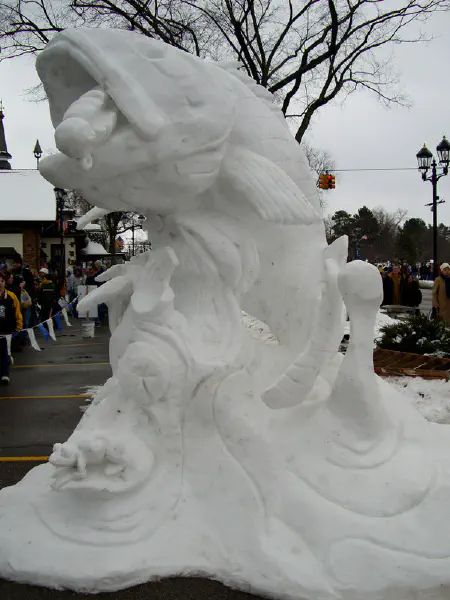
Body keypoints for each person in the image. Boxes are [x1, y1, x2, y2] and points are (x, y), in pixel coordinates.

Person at [0, 272, 23, 384]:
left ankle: (5, 374)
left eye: (2, 281)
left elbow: (17, 311)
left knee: (5, 353)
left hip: (7, 330)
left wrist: (19, 325)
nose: (0, 284)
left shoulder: (11, 296)